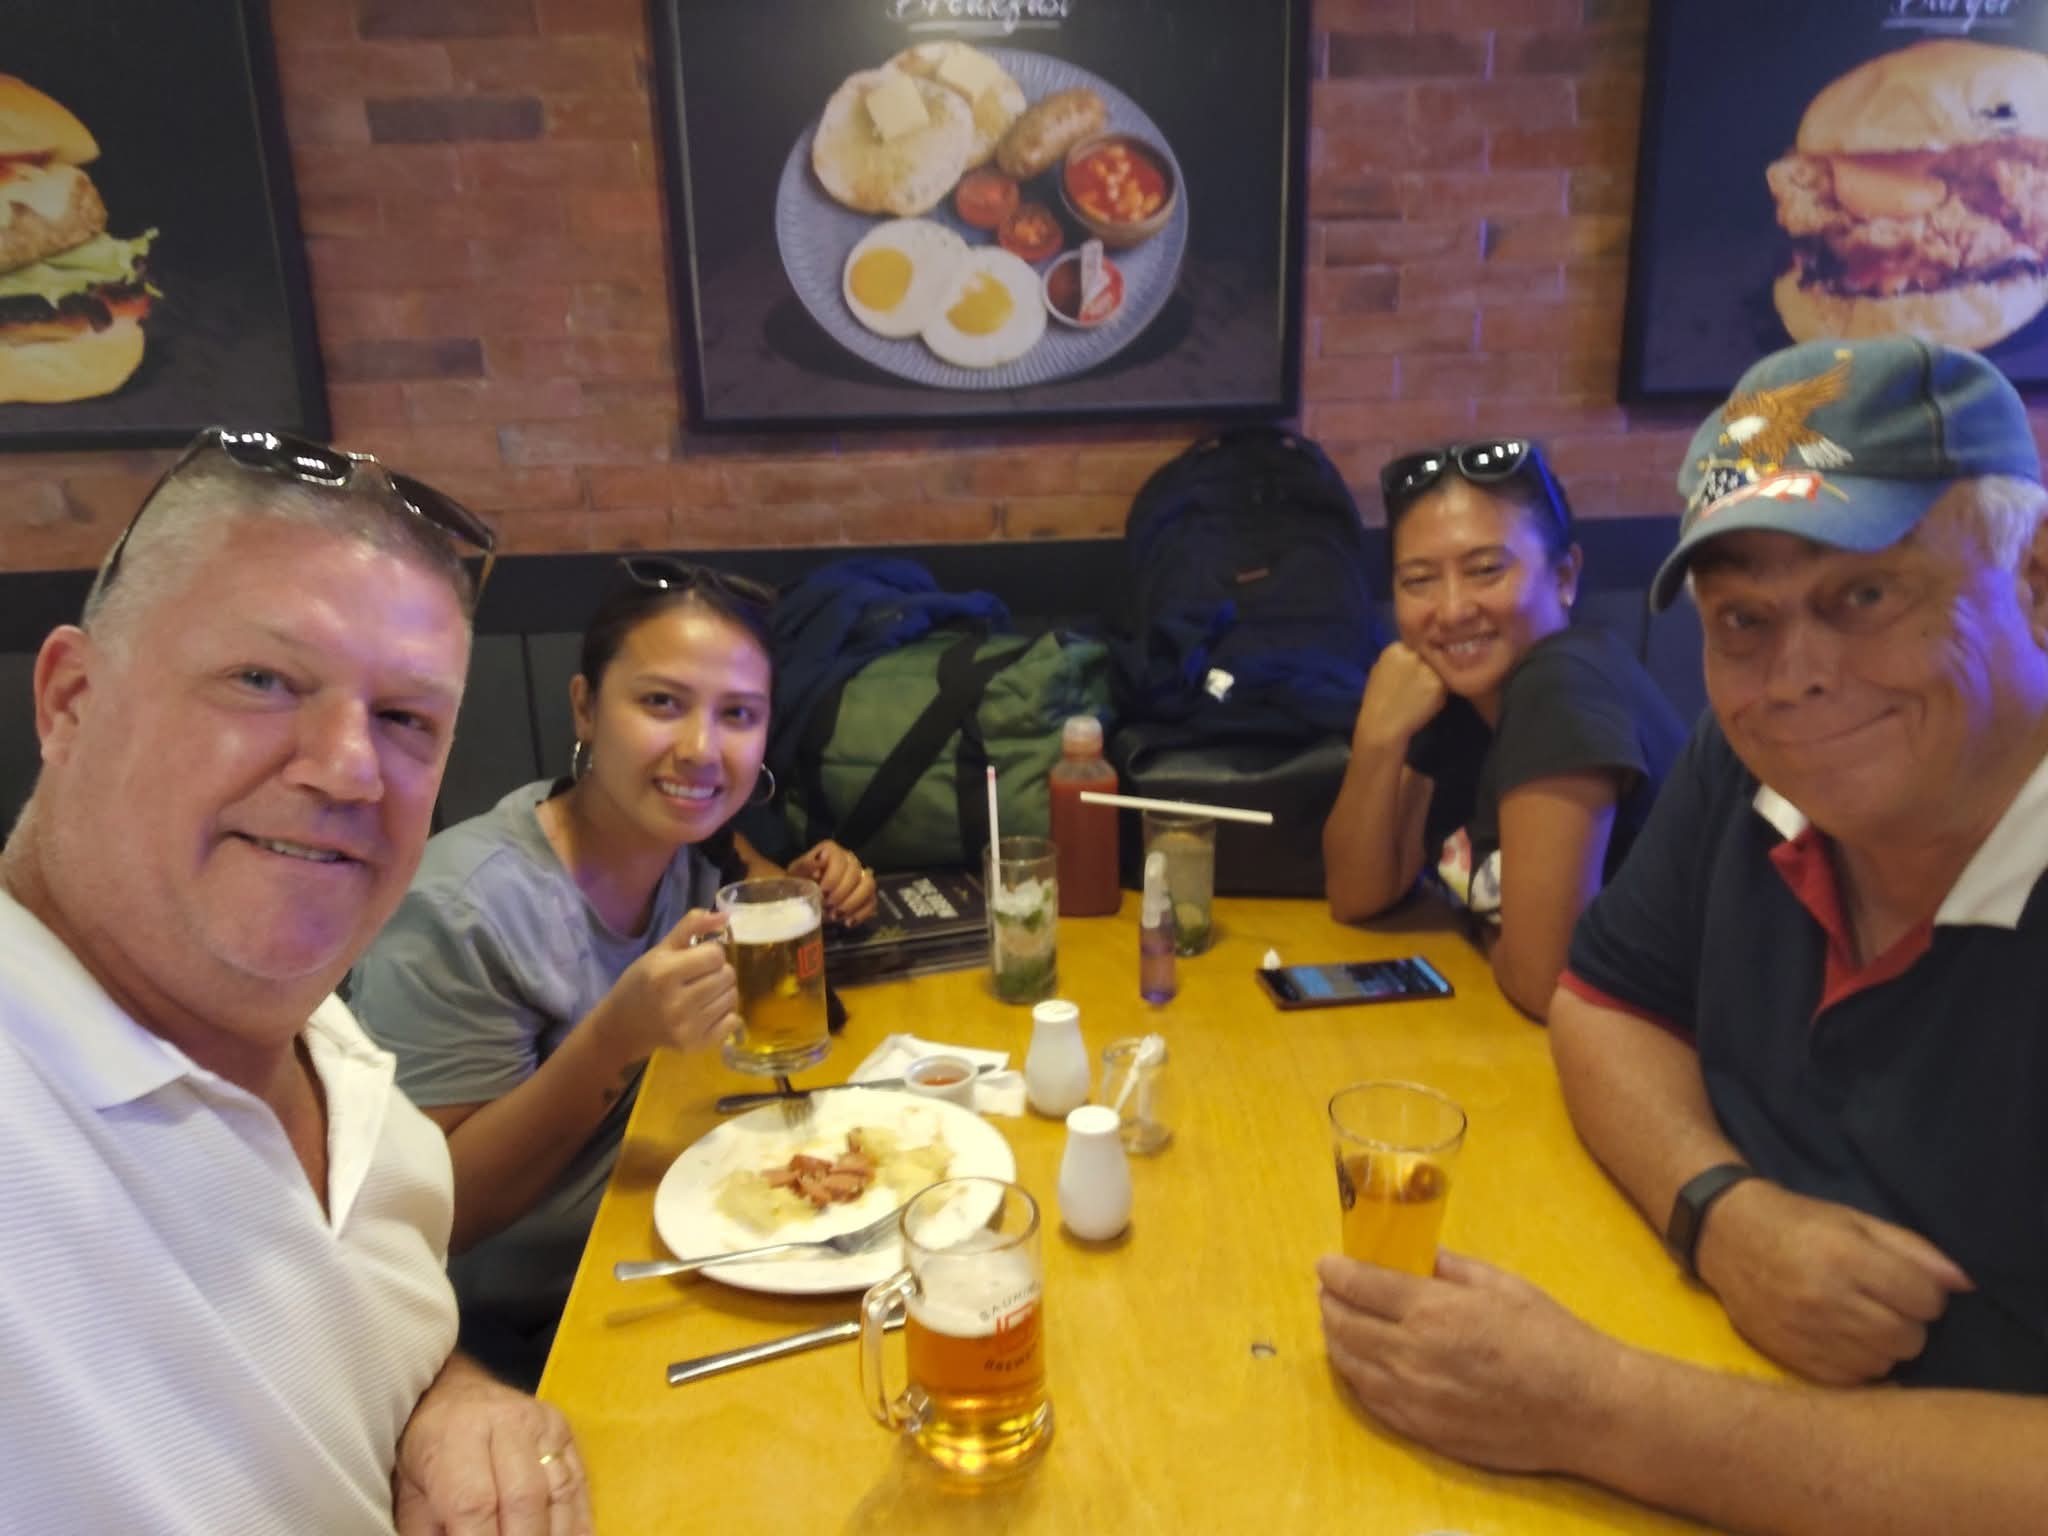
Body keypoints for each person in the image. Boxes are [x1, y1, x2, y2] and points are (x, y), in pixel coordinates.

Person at [1319, 336, 2048, 1533]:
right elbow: (1601, 1003)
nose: (1790, 676)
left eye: (1862, 596)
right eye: (1741, 619)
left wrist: (1596, 1409)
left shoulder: (1600, 699)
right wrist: (1721, 1212)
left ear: (2034, 578)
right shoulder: (1751, 758)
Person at [0, 428, 593, 1534]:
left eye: (405, 719)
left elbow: (346, 1344)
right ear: (70, 699)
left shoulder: (346, 1065)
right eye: (264, 681)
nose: (350, 768)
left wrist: (445, 1399)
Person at [347, 556, 878, 1385]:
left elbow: (770, 906)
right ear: (586, 708)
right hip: (517, 1337)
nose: (701, 749)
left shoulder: (692, 848)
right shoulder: (458, 908)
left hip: (684, 1248)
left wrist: (822, 882)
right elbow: (439, 1216)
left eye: (738, 714)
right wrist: (613, 1040)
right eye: (662, 703)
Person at [1322, 438, 1685, 1018]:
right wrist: (1377, 740)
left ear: (1564, 575)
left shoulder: (1562, 684)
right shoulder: (1459, 696)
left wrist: (1489, 933)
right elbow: (1356, 895)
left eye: (1486, 570)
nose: (1452, 610)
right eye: (1419, 580)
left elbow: (1546, 984)